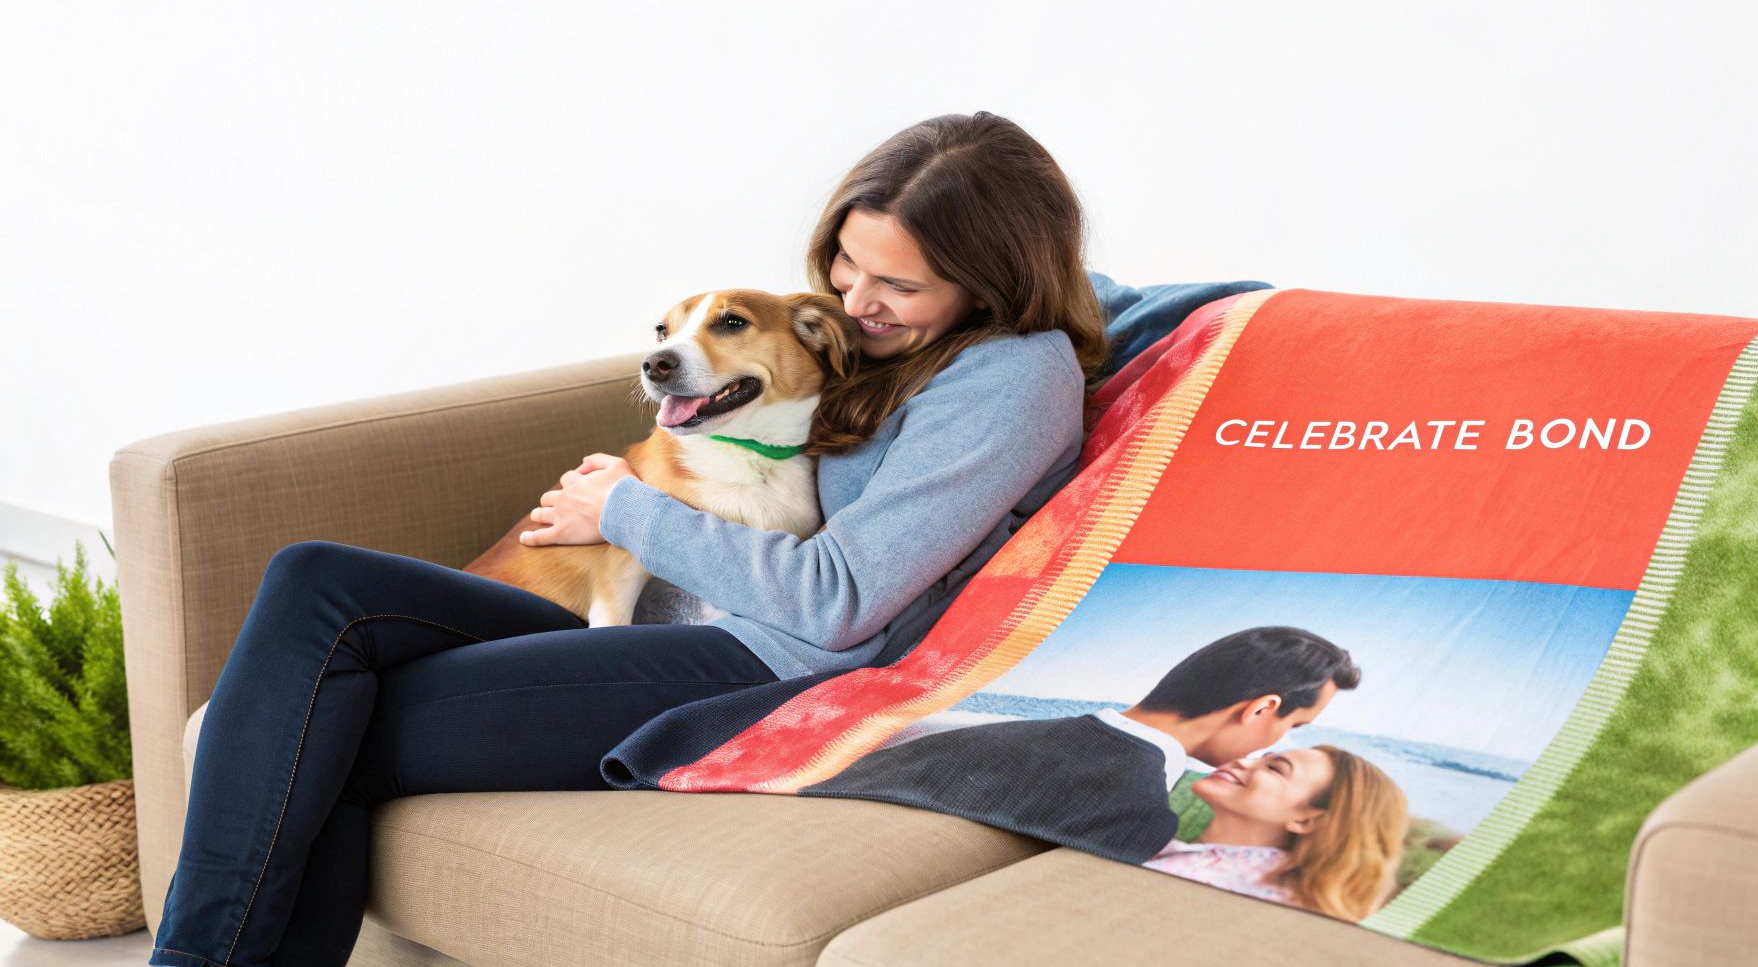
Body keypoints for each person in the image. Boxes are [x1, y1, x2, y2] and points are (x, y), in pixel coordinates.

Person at [148, 111, 1109, 967]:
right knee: (315, 580)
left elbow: (841, 598)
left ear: (993, 281)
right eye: (846, 264)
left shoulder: (1012, 380)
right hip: (668, 612)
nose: (858, 300)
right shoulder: (885, 341)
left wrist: (623, 509)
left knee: (321, 717)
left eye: (896, 281)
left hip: (774, 657)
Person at [799, 626, 1360, 863]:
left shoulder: (976, 733)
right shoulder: (1138, 814)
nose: (1278, 742)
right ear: (1262, 708)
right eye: (1295, 727)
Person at [1144, 745, 1409, 923]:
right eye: (1263, 757)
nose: (1245, 761)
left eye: (1274, 769)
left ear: (1307, 820)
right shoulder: (1182, 853)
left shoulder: (1261, 902)